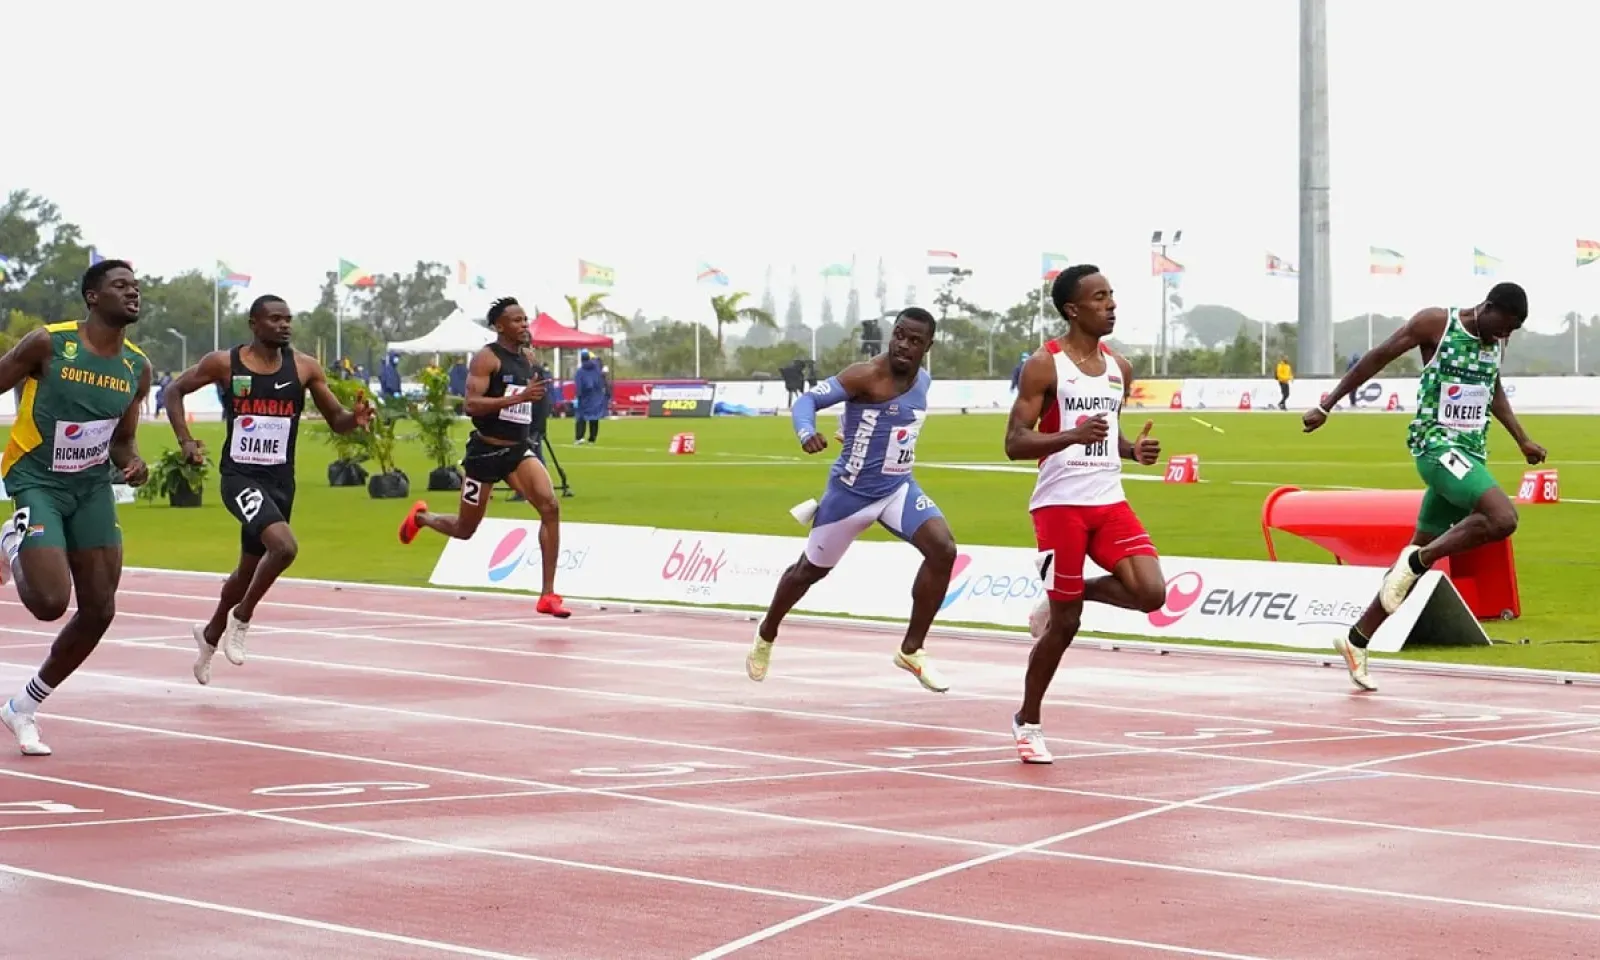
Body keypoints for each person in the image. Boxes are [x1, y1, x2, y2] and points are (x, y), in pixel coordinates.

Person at [1304, 282, 1544, 692]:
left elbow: (1493, 390)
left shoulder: (1494, 343)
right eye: (1503, 326)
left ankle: (1357, 639)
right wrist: (1327, 405)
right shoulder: (1437, 324)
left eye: (1512, 331)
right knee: (1502, 518)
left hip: (1470, 454)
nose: (1505, 336)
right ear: (1487, 307)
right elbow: (1378, 357)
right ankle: (1420, 560)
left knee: (1409, 565)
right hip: (1436, 447)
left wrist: (1522, 439)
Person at [162, 295, 374, 684]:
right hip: (239, 477)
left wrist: (355, 419)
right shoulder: (224, 363)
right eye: (275, 319)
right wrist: (185, 441)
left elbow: (336, 420)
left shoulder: (305, 367)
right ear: (254, 324)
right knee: (284, 547)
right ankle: (241, 617)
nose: (283, 325)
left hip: (280, 481)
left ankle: (210, 635)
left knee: (247, 570)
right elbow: (172, 392)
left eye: (287, 319)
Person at [745, 307, 957, 693]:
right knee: (808, 572)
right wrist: (806, 432)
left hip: (898, 488)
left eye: (914, 341)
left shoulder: (924, 381)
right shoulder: (866, 375)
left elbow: (895, 425)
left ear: (928, 347)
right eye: (899, 335)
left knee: (943, 549)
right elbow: (806, 402)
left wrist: (853, 428)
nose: (903, 345)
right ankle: (767, 630)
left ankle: (912, 650)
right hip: (850, 496)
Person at [1003, 265, 1165, 764]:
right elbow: (1014, 443)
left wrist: (1132, 451)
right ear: (1072, 310)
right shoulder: (1043, 365)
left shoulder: (1120, 368)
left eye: (1111, 295)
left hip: (1109, 500)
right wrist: (1071, 436)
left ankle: (1069, 593)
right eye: (1099, 297)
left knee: (1152, 593)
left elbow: (1107, 432)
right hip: (1060, 506)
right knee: (1067, 623)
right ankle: (1027, 720)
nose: (1110, 304)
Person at [0, 259, 151, 756]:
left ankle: (24, 705)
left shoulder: (137, 367)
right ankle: (12, 539)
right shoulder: (49, 343)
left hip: (90, 486)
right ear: (92, 296)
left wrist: (133, 464)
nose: (133, 293)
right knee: (49, 603)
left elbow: (122, 442)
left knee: (100, 609)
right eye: (120, 286)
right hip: (36, 479)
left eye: (136, 286)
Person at [397, 297, 570, 618]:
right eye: (516, 320)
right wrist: (519, 397)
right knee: (465, 529)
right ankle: (422, 518)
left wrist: (533, 403)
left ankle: (548, 595)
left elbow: (528, 400)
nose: (524, 325)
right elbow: (471, 405)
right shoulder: (486, 359)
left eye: (525, 320)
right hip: (485, 452)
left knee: (550, 507)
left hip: (517, 450)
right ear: (499, 326)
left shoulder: (528, 358)